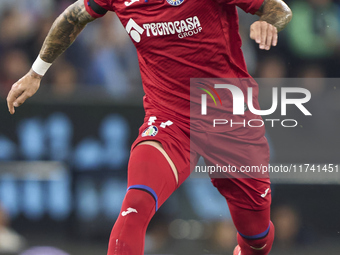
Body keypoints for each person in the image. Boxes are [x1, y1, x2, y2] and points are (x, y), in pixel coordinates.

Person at [6, 0, 292, 254]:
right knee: (136, 204)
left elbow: (279, 8)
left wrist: (267, 21)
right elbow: (74, 16)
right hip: (169, 119)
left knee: (256, 237)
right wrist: (36, 73)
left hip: (227, 117)